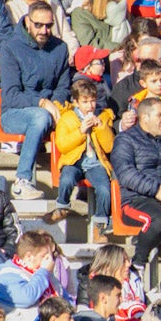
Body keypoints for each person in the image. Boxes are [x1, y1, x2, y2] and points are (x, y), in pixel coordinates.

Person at [0, 0, 68, 200]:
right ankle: (22, 181)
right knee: (39, 117)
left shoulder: (60, 48)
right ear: (28, 22)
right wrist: (42, 103)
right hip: (15, 112)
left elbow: (62, 87)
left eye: (49, 25)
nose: (44, 30)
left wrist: (54, 104)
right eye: (38, 25)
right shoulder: (11, 48)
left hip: (51, 110)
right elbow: (11, 95)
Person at [112, 99, 161, 274]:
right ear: (144, 118)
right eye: (160, 115)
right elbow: (126, 174)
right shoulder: (125, 140)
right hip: (136, 200)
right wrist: (157, 190)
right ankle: (137, 264)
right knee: (160, 218)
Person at [49, 78, 114, 239]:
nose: (90, 106)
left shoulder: (104, 116)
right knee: (67, 179)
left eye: (92, 101)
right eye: (85, 102)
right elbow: (62, 145)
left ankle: (100, 226)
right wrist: (81, 132)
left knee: (104, 189)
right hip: (74, 161)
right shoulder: (67, 118)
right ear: (77, 102)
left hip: (94, 163)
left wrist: (101, 128)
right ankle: (62, 205)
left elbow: (109, 147)